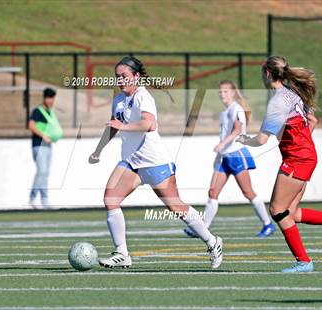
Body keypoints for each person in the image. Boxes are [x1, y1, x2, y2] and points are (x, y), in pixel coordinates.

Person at [89, 56, 223, 269]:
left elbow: (149, 124)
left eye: (124, 76)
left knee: (176, 207)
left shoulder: (144, 97)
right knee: (110, 199)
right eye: (117, 77)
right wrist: (98, 150)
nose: (120, 80)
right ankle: (122, 253)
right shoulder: (119, 100)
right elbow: (114, 125)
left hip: (155, 162)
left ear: (136, 76)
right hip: (131, 162)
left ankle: (212, 241)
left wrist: (124, 127)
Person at [238, 55, 322, 273]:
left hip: (298, 159)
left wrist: (244, 139)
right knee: (290, 213)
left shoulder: (278, 101)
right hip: (305, 156)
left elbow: (262, 140)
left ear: (268, 74)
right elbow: (312, 121)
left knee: (277, 210)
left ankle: (304, 261)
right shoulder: (293, 93)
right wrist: (301, 143)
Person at [184, 80, 275, 239]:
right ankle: (202, 229)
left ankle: (268, 224)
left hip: (237, 154)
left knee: (248, 192)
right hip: (225, 157)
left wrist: (222, 144)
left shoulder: (237, 109)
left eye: (225, 91)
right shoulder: (224, 112)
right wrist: (220, 153)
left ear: (233, 93)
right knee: (213, 192)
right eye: (220, 92)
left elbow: (237, 130)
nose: (222, 94)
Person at [28, 87, 62, 208]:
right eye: (49, 98)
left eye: (52, 98)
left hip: (48, 146)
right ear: (44, 98)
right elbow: (31, 126)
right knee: (41, 171)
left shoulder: (50, 112)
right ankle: (32, 198)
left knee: (45, 173)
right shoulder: (38, 111)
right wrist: (43, 136)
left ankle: (44, 199)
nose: (51, 100)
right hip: (39, 145)